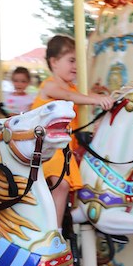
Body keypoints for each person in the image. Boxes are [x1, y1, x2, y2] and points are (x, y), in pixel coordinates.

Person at [31, 35, 115, 227]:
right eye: (71, 60)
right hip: (46, 148)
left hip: (65, 148)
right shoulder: (50, 86)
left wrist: (111, 100)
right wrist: (96, 100)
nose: (76, 66)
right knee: (61, 184)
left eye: (78, 61)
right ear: (54, 62)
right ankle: (53, 231)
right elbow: (71, 97)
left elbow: (82, 96)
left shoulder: (74, 88)